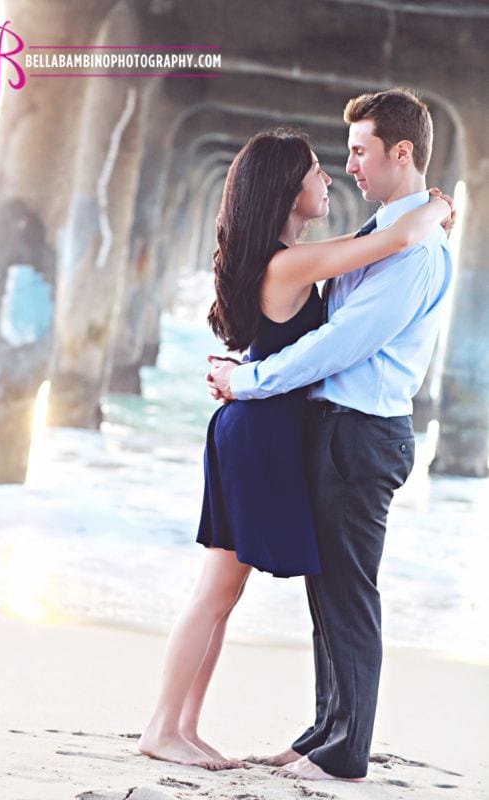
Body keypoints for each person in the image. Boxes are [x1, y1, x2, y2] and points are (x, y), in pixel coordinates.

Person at [139, 123, 452, 771]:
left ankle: (184, 727)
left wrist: (428, 212)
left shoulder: (291, 256)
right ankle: (163, 727)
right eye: (315, 169)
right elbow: (391, 238)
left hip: (261, 429)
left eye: (346, 157)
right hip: (254, 432)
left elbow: (381, 245)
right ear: (286, 188)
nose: (331, 176)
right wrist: (441, 207)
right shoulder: (290, 262)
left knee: (222, 594)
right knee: (215, 592)